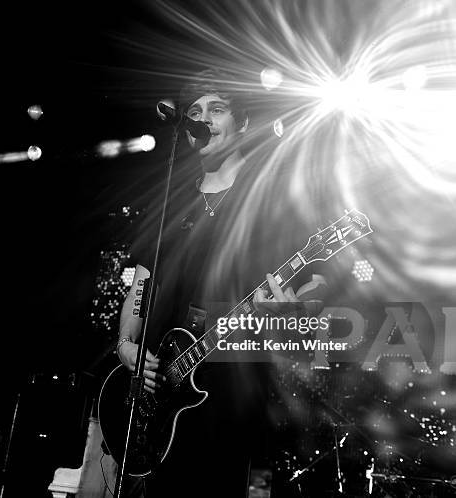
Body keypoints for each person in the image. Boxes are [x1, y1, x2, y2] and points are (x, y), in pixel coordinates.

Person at [114, 68, 329, 497]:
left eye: (217, 109)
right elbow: (141, 283)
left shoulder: (273, 194)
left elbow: (317, 281)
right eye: (194, 111)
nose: (203, 119)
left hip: (232, 390)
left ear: (242, 121)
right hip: (161, 393)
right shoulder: (172, 200)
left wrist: (291, 313)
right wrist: (127, 344)